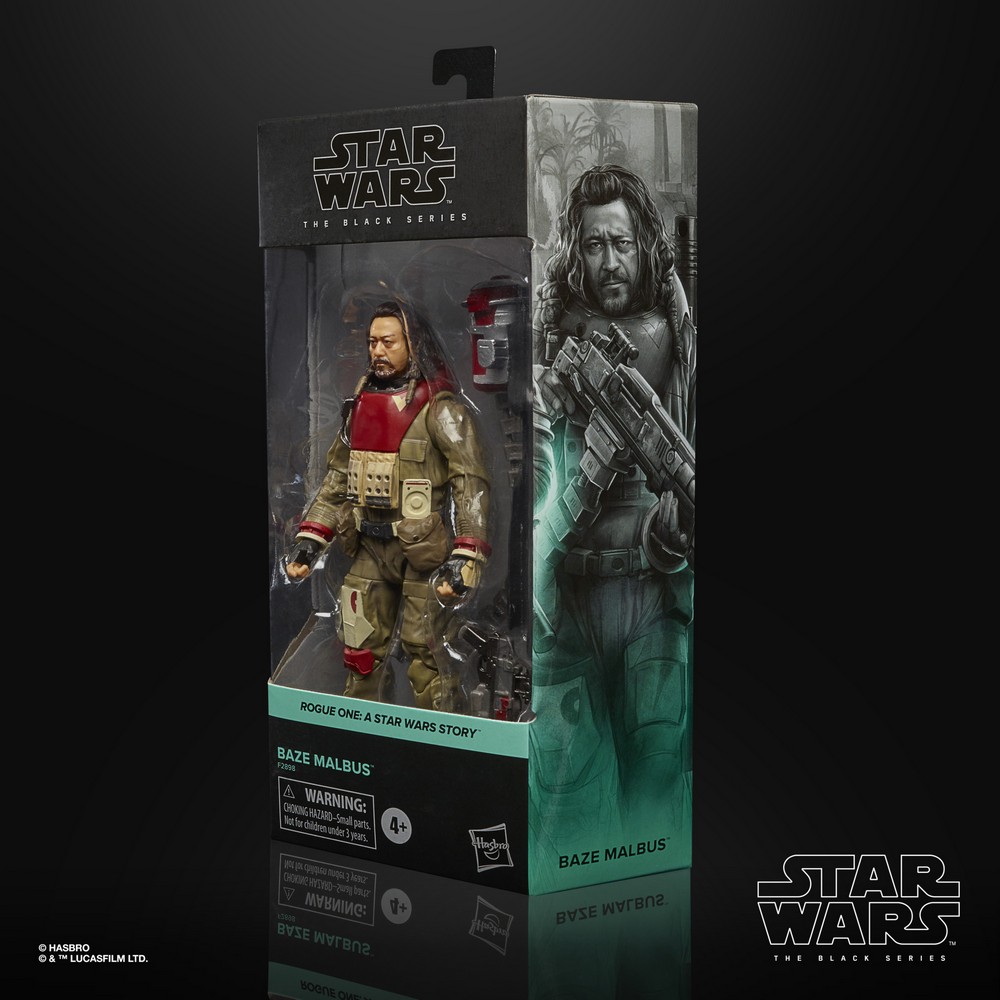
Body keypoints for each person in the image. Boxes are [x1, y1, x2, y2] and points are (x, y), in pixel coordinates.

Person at [530, 164, 695, 842]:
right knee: (566, 809)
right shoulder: (554, 336)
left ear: (643, 245)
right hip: (567, 605)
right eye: (595, 244)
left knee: (655, 792)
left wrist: (673, 534)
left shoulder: (679, 344)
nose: (609, 261)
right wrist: (543, 401)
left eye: (621, 243)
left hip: (650, 600)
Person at [285, 299, 491, 712]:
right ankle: (361, 728)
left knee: (427, 652)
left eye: (388, 342)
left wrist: (467, 557)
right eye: (372, 342)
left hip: (423, 553)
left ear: (413, 345)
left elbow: (470, 483)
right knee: (359, 648)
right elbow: (337, 479)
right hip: (368, 549)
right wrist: (310, 540)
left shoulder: (441, 410)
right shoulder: (359, 408)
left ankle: (439, 736)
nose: (377, 351)